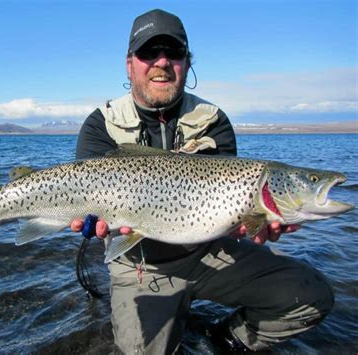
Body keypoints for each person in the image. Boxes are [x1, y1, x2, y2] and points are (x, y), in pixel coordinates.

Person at [71, 9, 334, 354]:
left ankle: (225, 338)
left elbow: (232, 218)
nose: (162, 62)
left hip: (209, 251)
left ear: (187, 62)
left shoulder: (213, 120)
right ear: (129, 64)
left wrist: (257, 224)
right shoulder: (100, 125)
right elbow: (82, 203)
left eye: (174, 52)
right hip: (140, 262)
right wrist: (90, 223)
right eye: (149, 53)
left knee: (311, 296)